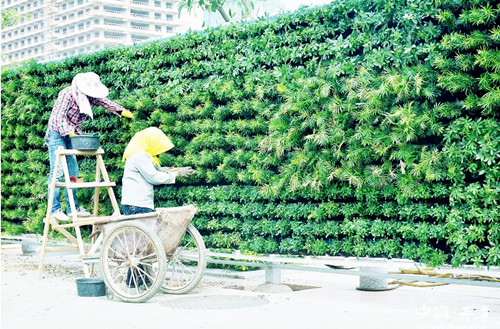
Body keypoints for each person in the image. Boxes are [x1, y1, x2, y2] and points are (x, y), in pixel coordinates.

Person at [46, 72, 133, 221]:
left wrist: (121, 111)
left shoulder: (90, 95)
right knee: (58, 172)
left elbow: (105, 102)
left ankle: (73, 209)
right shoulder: (67, 94)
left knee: (73, 172)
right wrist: (70, 133)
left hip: (71, 133)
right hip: (56, 134)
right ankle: (55, 210)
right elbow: (58, 117)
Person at [121, 127, 196, 215]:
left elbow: (156, 169)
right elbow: (154, 177)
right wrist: (177, 173)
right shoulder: (140, 156)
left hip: (137, 204)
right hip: (136, 205)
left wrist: (177, 169)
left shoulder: (141, 155)